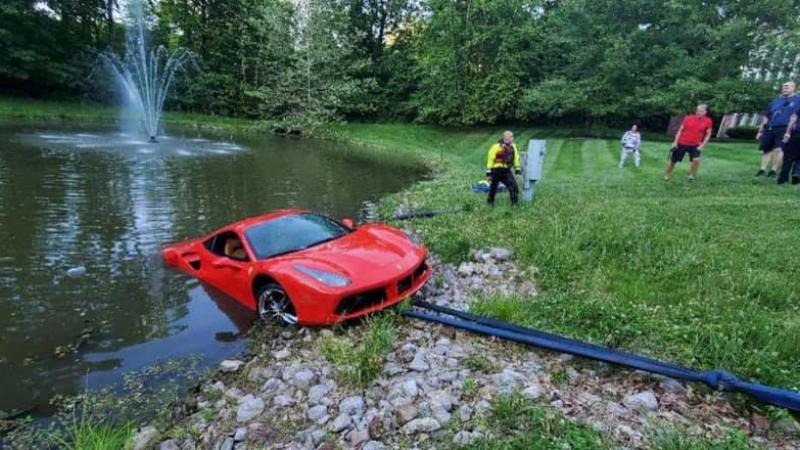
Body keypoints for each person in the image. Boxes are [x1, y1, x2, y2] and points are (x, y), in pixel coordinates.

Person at [756, 81, 797, 177]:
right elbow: (766, 116)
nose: (784, 88)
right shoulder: (776, 100)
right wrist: (761, 130)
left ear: (793, 88)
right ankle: (762, 170)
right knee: (766, 149)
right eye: (783, 87)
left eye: (786, 87)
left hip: (784, 128)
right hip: (769, 127)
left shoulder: (798, 100)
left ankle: (773, 171)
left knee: (779, 149)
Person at [664, 104, 713, 182]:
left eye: (701, 111)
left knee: (696, 160)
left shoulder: (708, 121)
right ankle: (668, 174)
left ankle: (691, 175)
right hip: (682, 143)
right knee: (674, 160)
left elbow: (708, 134)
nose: (699, 112)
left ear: (705, 112)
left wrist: (702, 145)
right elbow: (680, 130)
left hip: (695, 144)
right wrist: (675, 142)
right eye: (697, 110)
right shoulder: (688, 118)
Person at [485, 131, 520, 206]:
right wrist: (488, 173)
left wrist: (517, 171)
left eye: (509, 136)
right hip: (496, 170)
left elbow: (516, 158)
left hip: (506, 170)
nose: (507, 138)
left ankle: (514, 204)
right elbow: (490, 159)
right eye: (505, 136)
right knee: (493, 188)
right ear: (503, 137)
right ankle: (490, 203)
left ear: (512, 138)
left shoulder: (513, 147)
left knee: (513, 186)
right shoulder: (496, 146)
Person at [778, 108, 800, 185]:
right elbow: (793, 119)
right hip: (797, 134)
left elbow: (792, 120)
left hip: (797, 134)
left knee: (788, 157)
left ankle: (784, 179)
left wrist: (787, 133)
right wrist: (787, 133)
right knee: (790, 157)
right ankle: (794, 175)